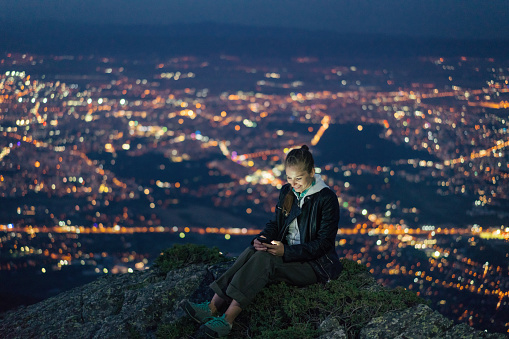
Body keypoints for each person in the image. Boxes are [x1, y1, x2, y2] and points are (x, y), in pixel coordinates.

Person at [182, 145, 342, 338]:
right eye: (289, 178)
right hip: (289, 254)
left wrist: (286, 252)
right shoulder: (287, 192)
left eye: (298, 178)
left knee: (266, 260)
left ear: (312, 172)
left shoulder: (326, 199)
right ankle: (212, 307)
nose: (294, 184)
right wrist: (263, 239)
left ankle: (227, 321)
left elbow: (323, 244)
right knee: (253, 250)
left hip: (316, 265)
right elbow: (276, 224)